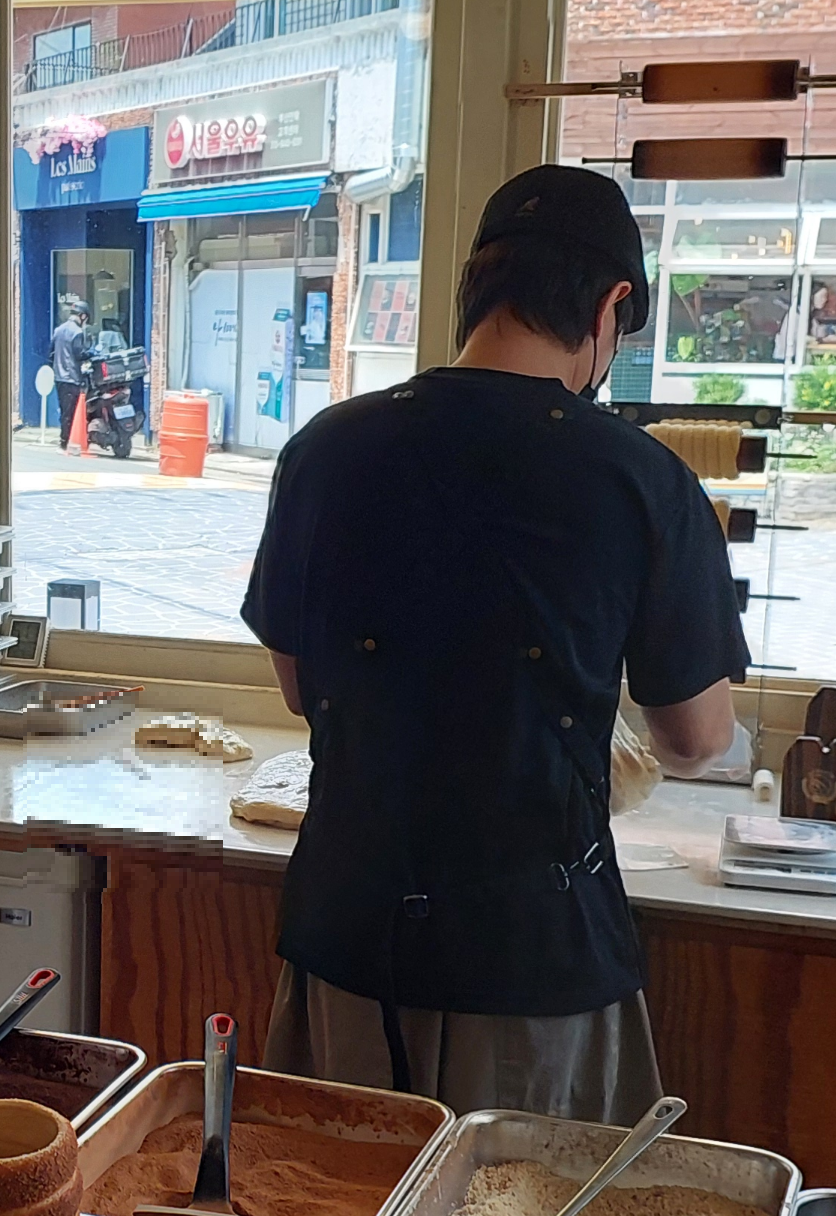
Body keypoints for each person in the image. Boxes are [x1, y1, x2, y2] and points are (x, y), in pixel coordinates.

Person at [241, 165, 749, 1123]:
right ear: (612, 305)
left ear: (475, 288)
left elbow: (303, 687)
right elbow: (693, 738)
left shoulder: (326, 450)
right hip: (536, 962)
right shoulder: (644, 483)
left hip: (351, 945)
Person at [48, 295, 91, 451]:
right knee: (71, 411)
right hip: (71, 377)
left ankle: (64, 439)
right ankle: (65, 441)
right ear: (83, 316)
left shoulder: (58, 330)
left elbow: (50, 354)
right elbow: (79, 354)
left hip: (59, 377)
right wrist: (91, 353)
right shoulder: (77, 332)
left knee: (64, 409)